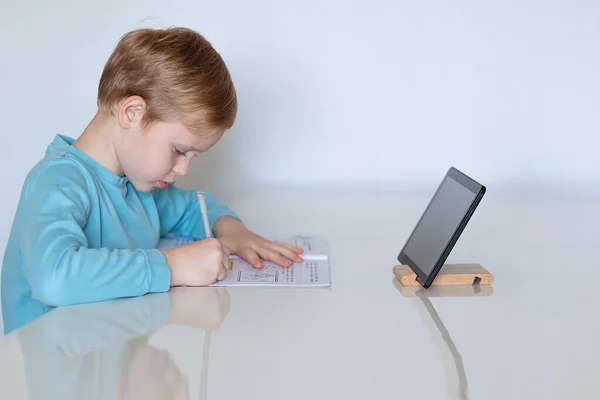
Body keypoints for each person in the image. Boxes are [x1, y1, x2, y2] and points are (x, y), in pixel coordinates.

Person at [0, 26, 304, 328]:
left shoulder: (142, 187)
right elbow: (54, 278)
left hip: (110, 354)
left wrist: (234, 232)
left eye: (192, 157)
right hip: (53, 360)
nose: (183, 170)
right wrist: (173, 266)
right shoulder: (57, 181)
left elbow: (195, 208)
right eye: (178, 150)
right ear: (132, 113)